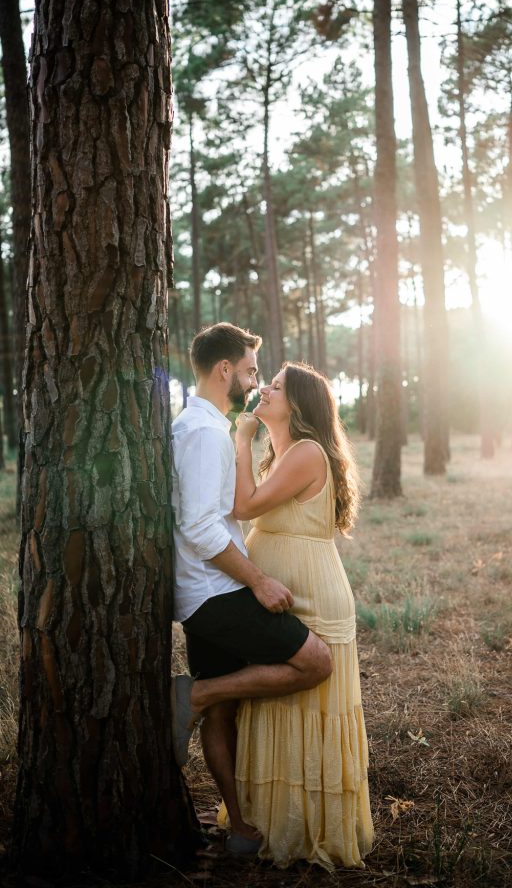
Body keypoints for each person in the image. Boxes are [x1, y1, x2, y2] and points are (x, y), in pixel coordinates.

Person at [171, 324, 333, 855]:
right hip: (216, 593)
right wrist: (258, 580)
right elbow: (199, 528)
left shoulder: (208, 427)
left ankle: (239, 826)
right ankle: (192, 694)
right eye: (251, 371)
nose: (256, 382)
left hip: (208, 591)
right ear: (226, 371)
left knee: (224, 711)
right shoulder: (205, 432)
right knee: (315, 662)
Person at [232, 361, 374, 870]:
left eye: (276, 387)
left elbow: (244, 506)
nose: (264, 389)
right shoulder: (286, 454)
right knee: (280, 708)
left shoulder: (308, 452)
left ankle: (308, 829)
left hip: (311, 595)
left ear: (299, 405)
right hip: (286, 591)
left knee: (306, 706)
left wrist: (242, 437)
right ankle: (277, 821)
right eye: (266, 382)